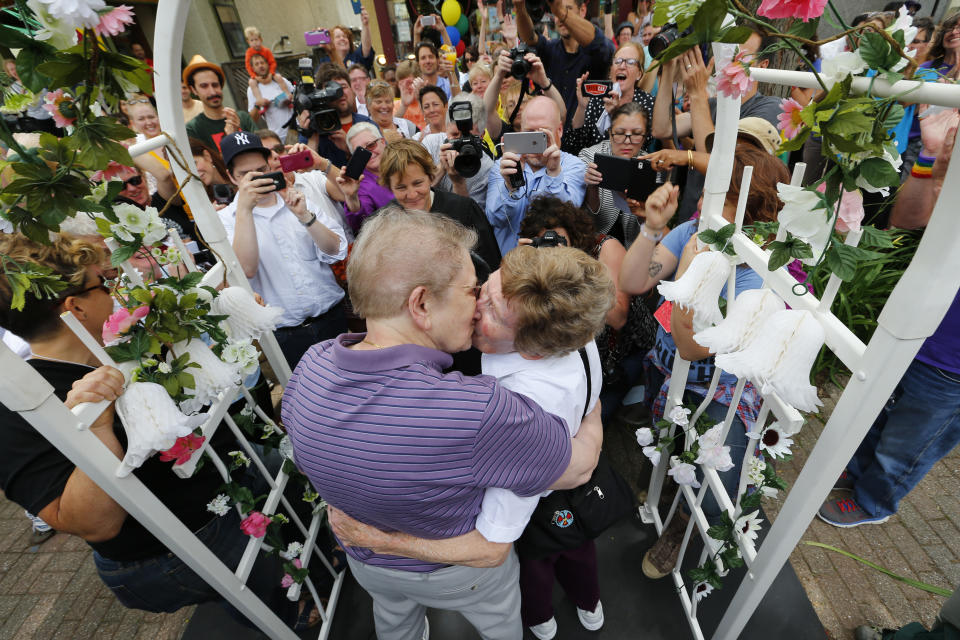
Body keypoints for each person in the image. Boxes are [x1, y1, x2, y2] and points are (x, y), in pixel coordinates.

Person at [282, 207, 604, 640]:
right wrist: (592, 406)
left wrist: (376, 535)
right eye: (473, 291)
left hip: (365, 563)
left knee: (395, 623)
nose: (476, 308)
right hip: (456, 571)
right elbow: (578, 467)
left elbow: (309, 462)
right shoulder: (484, 411)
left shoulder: (310, 366)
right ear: (421, 304)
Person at [0, 233, 307, 630]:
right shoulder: (22, 410)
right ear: (75, 308)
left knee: (293, 492)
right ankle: (293, 619)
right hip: (171, 547)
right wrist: (95, 426)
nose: (114, 290)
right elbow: (92, 523)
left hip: (215, 485)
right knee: (269, 591)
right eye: (103, 284)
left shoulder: (117, 345)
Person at [619, 143, 790, 579]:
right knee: (668, 437)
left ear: (752, 211)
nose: (701, 202)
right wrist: (653, 229)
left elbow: (692, 346)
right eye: (706, 192)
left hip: (719, 389)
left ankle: (682, 524)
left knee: (708, 475)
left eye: (719, 197)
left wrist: (691, 279)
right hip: (666, 369)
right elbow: (633, 280)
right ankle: (660, 477)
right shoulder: (696, 230)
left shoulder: (759, 275)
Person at [818, 119, 960, 529]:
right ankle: (859, 473)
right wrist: (931, 162)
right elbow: (910, 226)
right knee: (882, 413)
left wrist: (942, 184)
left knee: (910, 441)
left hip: (952, 360)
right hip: (917, 329)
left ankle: (874, 500)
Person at [520, 196, 657, 423]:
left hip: (623, 351)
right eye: (545, 242)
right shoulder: (537, 260)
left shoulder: (604, 248)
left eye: (560, 240)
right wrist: (521, 265)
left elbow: (618, 317)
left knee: (589, 420)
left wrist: (571, 272)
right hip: (573, 348)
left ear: (574, 235)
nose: (554, 249)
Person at [216, 131, 347, 368]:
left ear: (270, 165)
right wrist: (245, 210)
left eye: (262, 170)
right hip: (285, 335)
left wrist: (306, 218)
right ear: (231, 177)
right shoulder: (226, 219)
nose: (258, 179)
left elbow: (336, 249)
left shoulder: (296, 198)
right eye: (246, 175)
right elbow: (245, 269)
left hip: (332, 318)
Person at [651, 34, 781, 220]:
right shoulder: (712, 105)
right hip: (690, 219)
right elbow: (661, 128)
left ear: (763, 66)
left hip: (725, 226)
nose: (729, 65)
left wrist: (697, 94)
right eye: (728, 57)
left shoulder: (769, 108)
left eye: (740, 58)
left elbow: (726, 168)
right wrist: (669, 68)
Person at [380, 139, 501, 274]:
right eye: (401, 188)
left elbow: (491, 269)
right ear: (389, 187)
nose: (412, 195)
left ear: (431, 176)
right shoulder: (383, 224)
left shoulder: (464, 210)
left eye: (418, 183)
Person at [486, 96, 586, 255]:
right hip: (511, 267)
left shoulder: (574, 166)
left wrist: (553, 174)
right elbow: (495, 219)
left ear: (559, 130)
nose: (534, 141)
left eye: (541, 134)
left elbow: (565, 219)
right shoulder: (504, 166)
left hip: (553, 265)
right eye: (529, 132)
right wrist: (510, 187)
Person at [515, 0, 615, 127]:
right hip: (553, 137)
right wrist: (519, 7)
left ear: (582, 10)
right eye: (555, 11)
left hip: (590, 140)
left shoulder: (597, 52)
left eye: (567, 9)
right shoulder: (549, 49)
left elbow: (599, 43)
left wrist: (561, 12)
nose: (560, 17)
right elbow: (529, 37)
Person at [578, 102, 652, 246]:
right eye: (620, 133)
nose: (627, 141)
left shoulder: (650, 165)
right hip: (592, 245)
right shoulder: (589, 157)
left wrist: (642, 210)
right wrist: (591, 188)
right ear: (610, 133)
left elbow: (650, 228)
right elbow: (586, 220)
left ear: (644, 137)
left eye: (636, 134)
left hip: (633, 249)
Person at [563, 41, 655, 156]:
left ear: (639, 74)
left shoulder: (648, 103)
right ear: (611, 71)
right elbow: (572, 146)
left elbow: (645, 144)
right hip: (595, 169)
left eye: (630, 62)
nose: (622, 66)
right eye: (618, 61)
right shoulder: (597, 99)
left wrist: (615, 115)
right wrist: (582, 107)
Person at [421, 92, 497, 207]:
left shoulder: (487, 170)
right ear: (446, 129)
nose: (462, 142)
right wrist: (441, 168)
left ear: (482, 135)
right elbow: (415, 195)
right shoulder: (431, 144)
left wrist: (458, 183)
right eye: (455, 135)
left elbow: (470, 220)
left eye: (468, 136)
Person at [482, 49, 568, 146]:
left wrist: (543, 81)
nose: (517, 107)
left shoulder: (545, 128)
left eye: (522, 102)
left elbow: (561, 114)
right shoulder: (504, 134)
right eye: (511, 105)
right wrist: (499, 75)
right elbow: (487, 110)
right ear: (506, 111)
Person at [301, 64, 376, 169]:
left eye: (343, 87)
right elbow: (304, 174)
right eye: (331, 88)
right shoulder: (312, 129)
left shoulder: (367, 124)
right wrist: (313, 139)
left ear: (351, 89)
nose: (339, 92)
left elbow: (381, 165)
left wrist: (350, 148)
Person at [333, 122, 395, 234]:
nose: (369, 153)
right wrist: (351, 197)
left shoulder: (403, 160)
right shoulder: (360, 184)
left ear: (382, 142)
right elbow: (361, 226)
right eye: (360, 152)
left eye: (371, 145)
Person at [184, 55, 256, 151]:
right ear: (194, 90)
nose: (213, 92)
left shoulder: (242, 117)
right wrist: (231, 138)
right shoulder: (193, 129)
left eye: (215, 85)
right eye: (204, 86)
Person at [246, 52, 294, 141]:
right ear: (253, 68)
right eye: (257, 64)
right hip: (277, 136)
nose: (260, 66)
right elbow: (252, 119)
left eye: (262, 62)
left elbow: (296, 96)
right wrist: (258, 105)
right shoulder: (252, 89)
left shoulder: (281, 80)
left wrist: (289, 99)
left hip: (295, 129)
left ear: (268, 64)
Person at [243, 26, 287, 116]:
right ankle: (261, 101)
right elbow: (248, 66)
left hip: (270, 72)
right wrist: (254, 76)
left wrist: (271, 73)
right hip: (256, 76)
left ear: (261, 39)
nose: (255, 42)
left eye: (256, 39)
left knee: (279, 77)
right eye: (252, 41)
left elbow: (272, 62)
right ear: (248, 42)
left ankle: (287, 95)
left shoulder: (266, 51)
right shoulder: (249, 52)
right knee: (251, 82)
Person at [394, 60, 425, 130]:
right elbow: (392, 128)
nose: (406, 87)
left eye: (410, 82)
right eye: (402, 83)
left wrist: (420, 98)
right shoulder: (394, 105)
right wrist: (404, 106)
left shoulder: (430, 100)